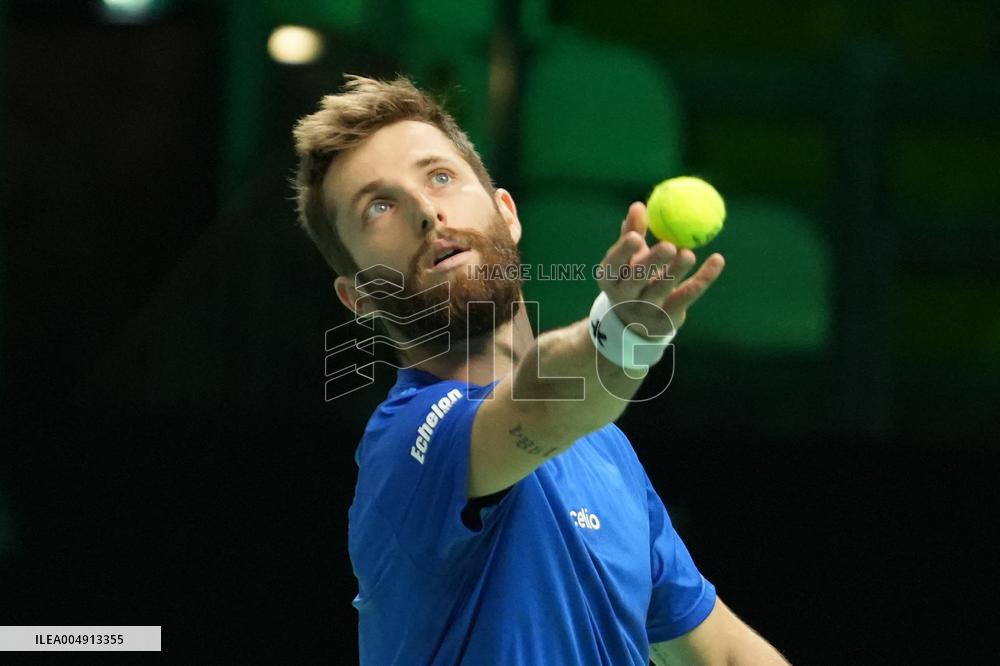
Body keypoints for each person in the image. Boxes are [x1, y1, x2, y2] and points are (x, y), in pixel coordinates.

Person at [292, 74, 789, 665]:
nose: (426, 211)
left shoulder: (607, 454)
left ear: (507, 212)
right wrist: (617, 335)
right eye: (379, 207)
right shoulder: (404, 443)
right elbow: (542, 406)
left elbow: (726, 653)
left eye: (440, 176)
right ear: (359, 298)